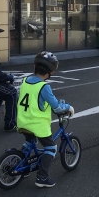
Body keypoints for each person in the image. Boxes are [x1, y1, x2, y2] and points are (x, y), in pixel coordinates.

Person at [17, 52, 73, 188]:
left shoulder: (24, 81)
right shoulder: (44, 87)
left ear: (34, 66)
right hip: (37, 125)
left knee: (30, 142)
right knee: (51, 148)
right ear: (51, 72)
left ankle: (23, 168)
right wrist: (68, 107)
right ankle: (42, 178)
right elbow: (57, 107)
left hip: (22, 122)